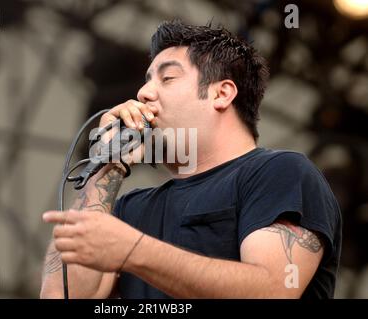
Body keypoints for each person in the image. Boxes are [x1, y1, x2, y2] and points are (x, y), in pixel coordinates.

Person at [39, 20, 341, 299]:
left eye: (167, 78)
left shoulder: (280, 172)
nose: (143, 93)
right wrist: (107, 165)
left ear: (221, 94)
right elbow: (60, 295)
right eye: (146, 81)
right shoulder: (130, 209)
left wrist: (132, 250)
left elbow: (274, 290)